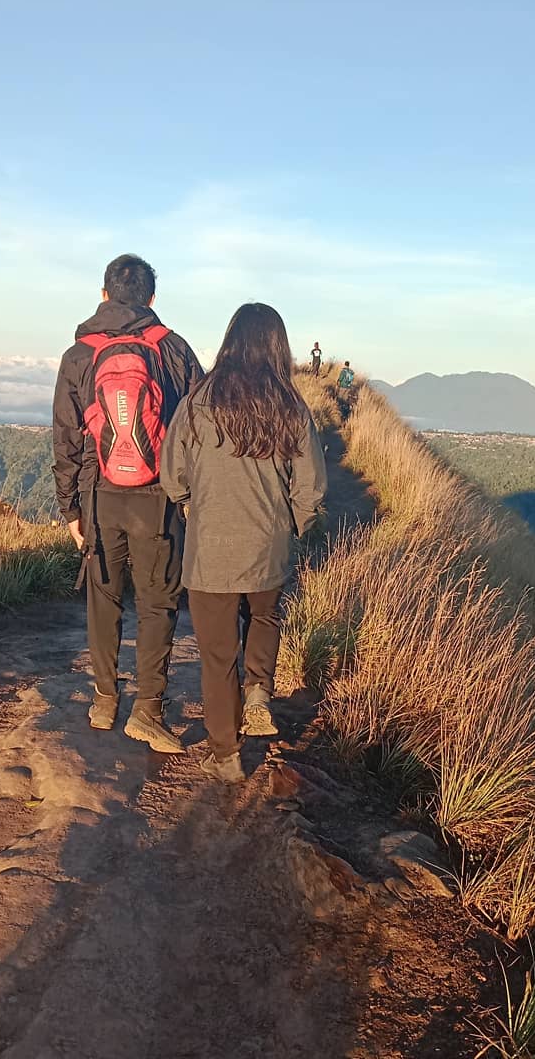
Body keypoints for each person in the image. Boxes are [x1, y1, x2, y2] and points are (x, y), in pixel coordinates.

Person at [161, 303, 327, 783]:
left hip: (210, 548)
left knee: (216, 656)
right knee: (264, 615)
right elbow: (311, 487)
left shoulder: (197, 402)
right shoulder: (291, 406)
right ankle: (258, 689)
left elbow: (173, 477)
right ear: (280, 346)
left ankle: (226, 754)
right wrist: (294, 525)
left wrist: (198, 505)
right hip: (268, 546)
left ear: (230, 340)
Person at [53, 253, 204, 754]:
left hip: (99, 497)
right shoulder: (175, 351)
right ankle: (148, 710)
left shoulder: (79, 355)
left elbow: (66, 436)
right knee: (158, 602)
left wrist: (69, 508)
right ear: (152, 299)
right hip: (157, 499)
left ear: (103, 294)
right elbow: (199, 430)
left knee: (105, 596)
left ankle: (102, 699)